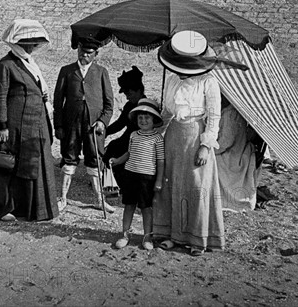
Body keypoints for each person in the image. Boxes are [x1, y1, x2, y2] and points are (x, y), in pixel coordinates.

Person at [0, 19, 58, 222]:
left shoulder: (29, 64)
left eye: (34, 42)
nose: (33, 46)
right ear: (17, 42)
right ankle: (3, 207)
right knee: (7, 165)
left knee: (33, 163)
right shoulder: (5, 65)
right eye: (29, 42)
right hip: (14, 124)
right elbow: (0, 97)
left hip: (35, 123)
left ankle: (30, 208)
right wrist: (2, 126)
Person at [153, 30, 225, 256]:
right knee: (172, 184)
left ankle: (197, 238)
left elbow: (214, 117)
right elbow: (166, 112)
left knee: (196, 187)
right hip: (174, 137)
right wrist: (155, 133)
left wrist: (205, 145)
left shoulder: (209, 82)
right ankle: (173, 235)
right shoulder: (173, 80)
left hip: (196, 137)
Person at [54, 37, 114, 213]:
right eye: (81, 52)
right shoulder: (66, 71)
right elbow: (58, 103)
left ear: (96, 54)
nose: (84, 55)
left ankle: (99, 200)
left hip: (93, 127)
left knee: (95, 161)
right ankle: (62, 198)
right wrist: (58, 126)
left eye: (88, 53)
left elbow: (109, 104)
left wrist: (103, 122)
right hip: (70, 125)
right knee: (69, 158)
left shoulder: (102, 72)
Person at [109, 98, 164, 251]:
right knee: (129, 205)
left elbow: (160, 161)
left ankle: (147, 236)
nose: (143, 120)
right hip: (130, 175)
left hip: (147, 178)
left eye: (147, 117)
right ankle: (125, 234)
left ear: (154, 120)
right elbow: (129, 153)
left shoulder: (158, 139)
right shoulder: (133, 135)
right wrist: (117, 161)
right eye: (140, 117)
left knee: (146, 208)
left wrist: (159, 180)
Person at [102, 66, 146, 197]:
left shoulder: (146, 107)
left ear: (138, 91)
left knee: (120, 151)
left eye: (129, 94)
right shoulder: (129, 105)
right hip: (127, 138)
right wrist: (105, 132)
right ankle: (110, 184)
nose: (127, 97)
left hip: (139, 141)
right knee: (112, 147)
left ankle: (123, 184)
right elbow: (120, 124)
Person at [215, 96, 261, 212]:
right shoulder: (230, 110)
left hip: (233, 153)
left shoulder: (230, 114)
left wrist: (208, 149)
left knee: (209, 160)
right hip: (236, 148)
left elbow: (226, 142)